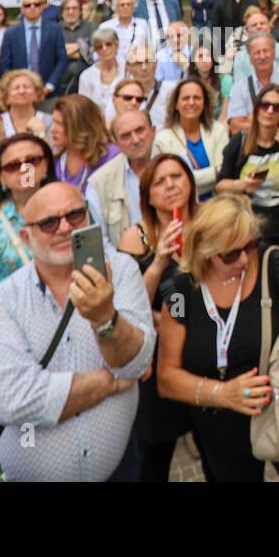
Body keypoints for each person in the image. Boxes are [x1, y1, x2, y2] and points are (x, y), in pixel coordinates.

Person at [0, 181, 153, 481]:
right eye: (49, 222)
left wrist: (104, 318)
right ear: (26, 237)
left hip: (119, 469)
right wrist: (109, 382)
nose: (65, 228)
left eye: (75, 215)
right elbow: (17, 401)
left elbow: (137, 361)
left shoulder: (121, 271)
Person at [156, 193, 279, 482]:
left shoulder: (272, 264)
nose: (243, 259)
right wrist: (221, 393)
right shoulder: (179, 292)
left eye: (249, 245)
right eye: (230, 254)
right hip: (220, 428)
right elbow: (167, 378)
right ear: (204, 250)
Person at [115, 154, 201, 480]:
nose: (169, 187)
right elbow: (129, 303)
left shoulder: (209, 220)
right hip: (160, 356)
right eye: (159, 182)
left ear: (190, 182)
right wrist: (160, 259)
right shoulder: (136, 237)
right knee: (155, 452)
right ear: (147, 196)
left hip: (207, 348)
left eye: (176, 177)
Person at [216, 83, 279, 262]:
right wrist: (242, 185)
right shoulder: (240, 141)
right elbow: (221, 186)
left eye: (277, 107)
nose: (269, 111)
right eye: (264, 104)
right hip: (252, 225)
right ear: (257, 107)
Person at [0, 133, 56, 290]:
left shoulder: (72, 207)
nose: (24, 169)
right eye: (13, 166)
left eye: (32, 161)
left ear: (46, 165)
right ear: (1, 178)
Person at [85, 110, 159, 254]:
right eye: (125, 136)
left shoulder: (177, 163)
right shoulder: (99, 183)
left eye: (140, 130)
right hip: (129, 262)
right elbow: (102, 241)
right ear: (116, 143)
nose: (135, 140)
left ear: (153, 131)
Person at [155, 77, 229, 202]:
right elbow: (171, 184)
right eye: (185, 98)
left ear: (205, 103)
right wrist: (214, 172)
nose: (191, 102)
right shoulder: (163, 140)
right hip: (181, 209)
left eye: (197, 98)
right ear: (176, 104)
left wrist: (189, 180)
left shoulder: (218, 131)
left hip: (216, 208)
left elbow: (224, 174)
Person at [0, 0, 69, 97]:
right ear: (22, 9)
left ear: (42, 7)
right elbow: (4, 65)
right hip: (20, 93)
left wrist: (49, 86)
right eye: (28, 5)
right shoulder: (10, 33)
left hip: (49, 92)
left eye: (36, 4)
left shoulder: (55, 30)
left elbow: (62, 60)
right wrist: (16, 86)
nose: (32, 7)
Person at [226, 34, 279, 134]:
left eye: (266, 51)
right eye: (257, 52)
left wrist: (251, 120)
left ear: (274, 53)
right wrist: (273, 122)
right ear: (250, 58)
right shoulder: (239, 87)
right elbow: (235, 127)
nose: (262, 56)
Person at [50, 94, 118, 192]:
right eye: (53, 122)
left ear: (80, 125)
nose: (53, 129)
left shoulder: (112, 157)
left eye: (60, 124)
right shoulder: (54, 155)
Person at [76, 28, 125, 117]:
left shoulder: (127, 69)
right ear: (95, 50)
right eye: (99, 46)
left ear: (116, 45)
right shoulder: (87, 76)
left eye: (108, 44)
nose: (104, 49)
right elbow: (84, 107)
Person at [0, 68, 49, 139]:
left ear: (36, 94)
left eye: (27, 87)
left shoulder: (49, 121)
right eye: (16, 88)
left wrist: (41, 134)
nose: (22, 91)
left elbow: (56, 149)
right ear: (6, 96)